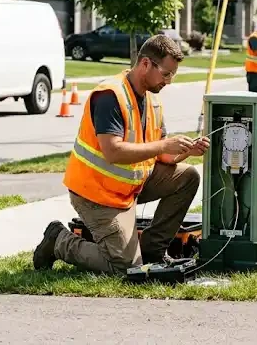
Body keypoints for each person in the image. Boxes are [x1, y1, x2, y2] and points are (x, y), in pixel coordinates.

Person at [32, 34, 211, 275]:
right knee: (125, 267)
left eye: (173, 75)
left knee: (188, 176)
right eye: (166, 73)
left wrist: (186, 151)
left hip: (128, 187)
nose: (168, 81)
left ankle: (153, 250)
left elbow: (162, 157)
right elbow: (113, 151)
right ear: (146, 64)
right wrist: (163, 146)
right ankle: (58, 241)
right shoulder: (110, 95)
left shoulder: (153, 100)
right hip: (96, 194)